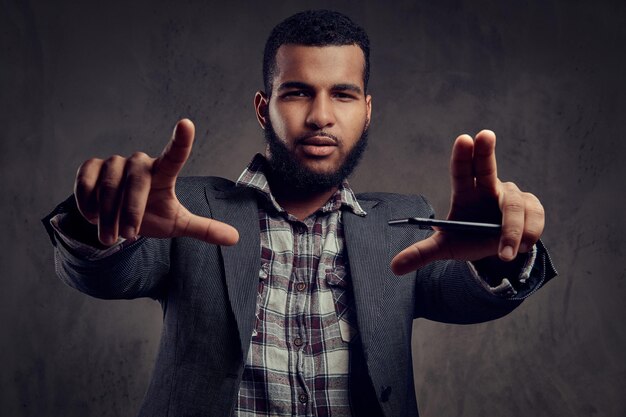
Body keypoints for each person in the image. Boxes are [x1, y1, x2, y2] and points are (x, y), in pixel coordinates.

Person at [43, 9, 556, 417]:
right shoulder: (186, 208)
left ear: (367, 110)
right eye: (298, 92)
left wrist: (500, 250)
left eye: (343, 94)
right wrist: (99, 219)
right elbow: (103, 275)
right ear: (264, 107)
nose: (321, 116)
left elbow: (473, 298)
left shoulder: (404, 222)